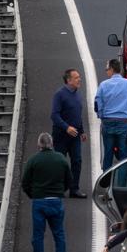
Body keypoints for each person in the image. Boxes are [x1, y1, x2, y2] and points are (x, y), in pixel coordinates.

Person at [20, 132, 71, 252]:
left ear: (39, 145)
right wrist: (60, 191)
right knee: (59, 235)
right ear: (52, 144)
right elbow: (69, 180)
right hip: (56, 201)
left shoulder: (33, 161)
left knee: (38, 237)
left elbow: (25, 182)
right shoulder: (61, 159)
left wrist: (33, 194)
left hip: (39, 202)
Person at [94, 58, 127, 170]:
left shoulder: (103, 85)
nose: (106, 72)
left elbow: (97, 104)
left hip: (108, 122)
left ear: (111, 69)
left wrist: (101, 116)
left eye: (106, 69)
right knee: (124, 157)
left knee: (108, 153)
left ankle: (105, 180)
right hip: (124, 123)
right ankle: (121, 184)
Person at [50, 68, 87, 198]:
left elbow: (77, 114)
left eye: (79, 77)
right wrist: (67, 128)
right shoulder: (59, 94)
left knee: (77, 161)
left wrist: (81, 131)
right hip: (61, 135)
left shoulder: (78, 94)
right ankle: (58, 189)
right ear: (69, 80)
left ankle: (74, 189)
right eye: (76, 77)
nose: (79, 79)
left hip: (75, 135)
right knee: (60, 162)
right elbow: (54, 115)